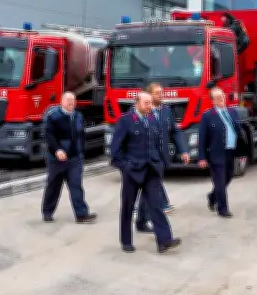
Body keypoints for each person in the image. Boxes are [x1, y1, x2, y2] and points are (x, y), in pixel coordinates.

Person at [110, 91, 182, 253]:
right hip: (133, 171)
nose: (150, 106)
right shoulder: (126, 121)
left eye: (150, 103)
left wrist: (161, 163)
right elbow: (115, 151)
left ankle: (164, 240)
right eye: (146, 103)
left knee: (156, 206)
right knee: (128, 207)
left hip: (151, 170)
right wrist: (125, 166)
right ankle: (126, 241)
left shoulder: (153, 120)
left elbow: (158, 144)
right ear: (137, 103)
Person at [135, 82, 189, 233]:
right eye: (157, 92)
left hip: (161, 158)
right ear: (149, 95)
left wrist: (183, 151)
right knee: (152, 189)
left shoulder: (167, 111)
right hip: (146, 159)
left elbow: (175, 132)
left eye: (162, 92)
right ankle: (160, 228)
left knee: (149, 190)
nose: (161, 95)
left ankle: (141, 221)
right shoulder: (142, 112)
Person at [40, 92, 98, 223]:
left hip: (75, 159)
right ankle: (47, 212)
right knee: (54, 186)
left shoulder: (78, 116)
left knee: (76, 185)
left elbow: (81, 135)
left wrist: (82, 152)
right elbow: (49, 136)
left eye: (74, 100)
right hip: (57, 160)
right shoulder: (53, 116)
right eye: (69, 100)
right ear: (62, 102)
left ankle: (81, 214)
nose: (72, 103)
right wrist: (57, 150)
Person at [197, 87, 247, 218]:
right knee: (219, 181)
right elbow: (201, 138)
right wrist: (202, 157)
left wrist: (242, 152)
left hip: (230, 152)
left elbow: (239, 132)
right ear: (213, 101)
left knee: (228, 177)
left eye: (223, 96)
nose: (222, 99)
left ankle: (213, 196)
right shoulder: (208, 115)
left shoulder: (232, 112)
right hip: (216, 153)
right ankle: (223, 208)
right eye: (218, 97)